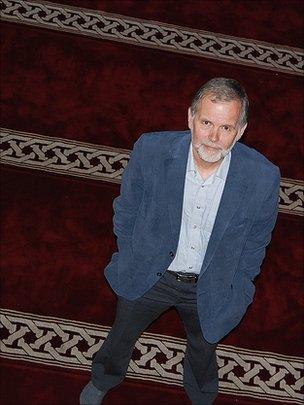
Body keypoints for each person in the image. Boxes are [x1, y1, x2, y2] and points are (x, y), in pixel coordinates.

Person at [80, 78, 280, 404]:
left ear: (241, 130)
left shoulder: (263, 178)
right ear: (190, 118)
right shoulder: (151, 150)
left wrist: (239, 287)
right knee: (121, 334)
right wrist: (131, 256)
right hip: (151, 273)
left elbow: (257, 241)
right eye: (206, 123)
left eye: (226, 128)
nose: (214, 138)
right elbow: (127, 210)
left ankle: (200, 394)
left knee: (203, 349)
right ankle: (104, 377)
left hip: (210, 284)